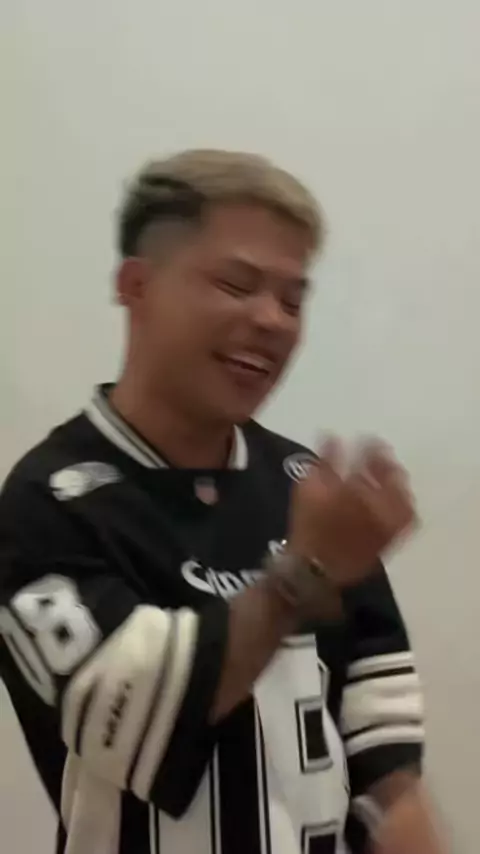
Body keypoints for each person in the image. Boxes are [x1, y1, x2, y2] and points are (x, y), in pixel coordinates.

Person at [0, 150, 444, 854]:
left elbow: (381, 737)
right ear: (136, 286)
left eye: (293, 300)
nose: (272, 320)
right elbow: (139, 717)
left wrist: (405, 810)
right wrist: (303, 573)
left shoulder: (305, 485)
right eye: (237, 285)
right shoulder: (47, 503)